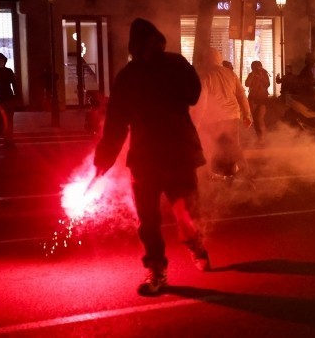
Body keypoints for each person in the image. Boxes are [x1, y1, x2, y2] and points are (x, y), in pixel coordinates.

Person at [93, 18, 210, 296]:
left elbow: (193, 94)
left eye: (155, 42)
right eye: (147, 43)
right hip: (146, 159)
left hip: (178, 153)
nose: (151, 47)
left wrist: (175, 69)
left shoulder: (175, 64)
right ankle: (156, 270)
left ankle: (197, 246)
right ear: (137, 47)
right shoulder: (129, 76)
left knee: (186, 216)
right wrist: (103, 161)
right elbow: (116, 124)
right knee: (148, 220)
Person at [191, 50, 252, 182]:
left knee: (211, 147)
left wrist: (196, 122)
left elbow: (202, 100)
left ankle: (210, 176)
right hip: (232, 116)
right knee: (234, 147)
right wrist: (247, 114)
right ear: (218, 59)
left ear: (206, 60)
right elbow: (241, 94)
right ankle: (242, 174)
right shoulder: (230, 73)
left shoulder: (205, 76)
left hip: (214, 119)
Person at [0, 52, 17, 148]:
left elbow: (14, 84)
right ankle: (8, 140)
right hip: (1, 100)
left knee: (8, 120)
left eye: (2, 61)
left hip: (6, 99)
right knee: (5, 121)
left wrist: (16, 96)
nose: (1, 62)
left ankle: (9, 140)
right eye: (0, 61)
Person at [244, 60, 270, 143]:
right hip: (253, 99)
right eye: (255, 67)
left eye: (258, 67)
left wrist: (261, 77)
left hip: (262, 99)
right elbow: (247, 84)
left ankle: (262, 137)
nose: (257, 69)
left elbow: (267, 84)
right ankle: (258, 137)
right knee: (255, 119)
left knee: (260, 118)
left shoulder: (264, 74)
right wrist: (252, 76)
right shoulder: (251, 75)